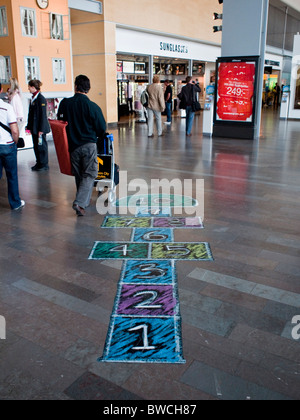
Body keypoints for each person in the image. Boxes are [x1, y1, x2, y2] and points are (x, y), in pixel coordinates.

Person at [57, 75, 107, 217]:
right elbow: (101, 128)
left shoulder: (65, 103)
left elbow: (60, 123)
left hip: (72, 145)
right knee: (90, 173)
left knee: (79, 175)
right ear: (88, 89)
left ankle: (83, 201)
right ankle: (80, 202)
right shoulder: (92, 107)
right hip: (89, 145)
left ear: (75, 86)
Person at [0, 83, 25, 211]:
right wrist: (15, 142)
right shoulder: (6, 107)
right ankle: (15, 203)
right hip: (8, 146)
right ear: (1, 90)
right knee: (12, 175)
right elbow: (14, 130)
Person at [27, 80, 51, 171]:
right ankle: (39, 162)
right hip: (34, 128)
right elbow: (31, 114)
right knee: (36, 146)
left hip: (39, 128)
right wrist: (29, 126)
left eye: (29, 87)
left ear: (33, 87)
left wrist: (41, 129)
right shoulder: (33, 98)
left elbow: (42, 115)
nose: (28, 89)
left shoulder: (41, 99)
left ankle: (44, 164)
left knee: (41, 146)